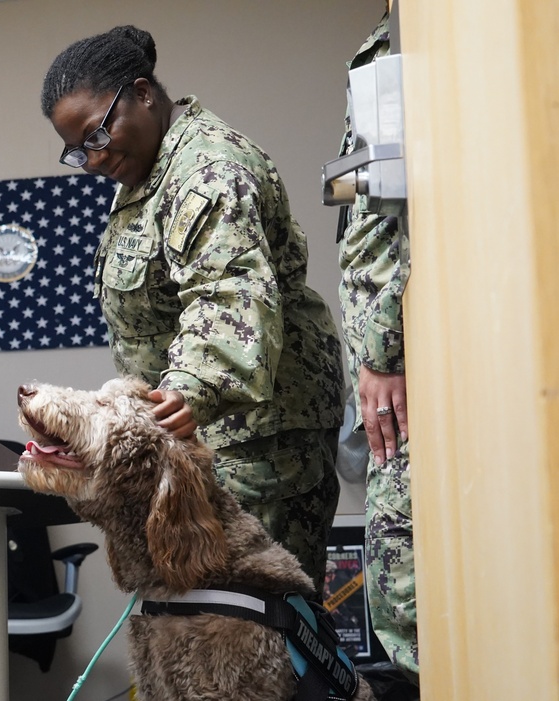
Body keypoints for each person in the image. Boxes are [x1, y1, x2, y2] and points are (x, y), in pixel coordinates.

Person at [40, 26, 344, 595]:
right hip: (198, 435)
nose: (93, 159)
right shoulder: (146, 174)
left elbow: (226, 292)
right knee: (202, 625)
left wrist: (189, 388)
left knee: (255, 621)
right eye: (78, 149)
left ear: (143, 94)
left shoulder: (207, 169)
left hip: (257, 439)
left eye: (97, 134)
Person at [335, 5, 419, 685]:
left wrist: (381, 352)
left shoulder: (420, 37)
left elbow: (394, 214)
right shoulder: (385, 41)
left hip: (406, 366)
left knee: (404, 585)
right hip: (389, 360)